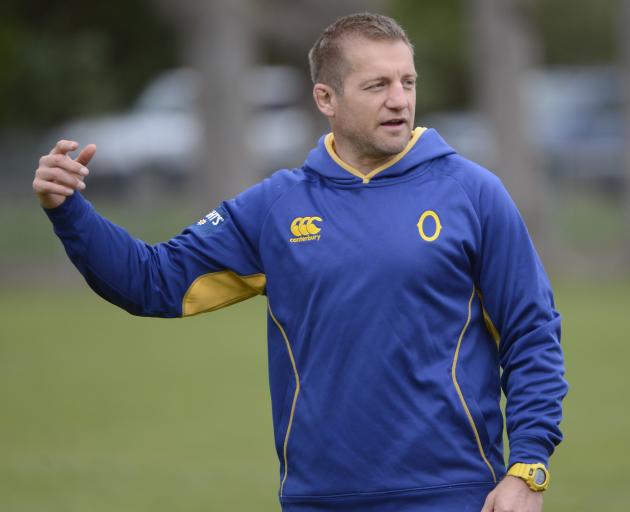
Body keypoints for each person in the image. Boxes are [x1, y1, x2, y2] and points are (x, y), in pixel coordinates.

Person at [32, 12, 567, 512]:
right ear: (325, 98)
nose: (399, 100)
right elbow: (151, 282)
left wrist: (527, 469)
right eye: (377, 86)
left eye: (407, 82)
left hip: (454, 494)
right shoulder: (276, 207)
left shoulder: (473, 194)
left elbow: (531, 332)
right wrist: (70, 212)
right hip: (319, 498)